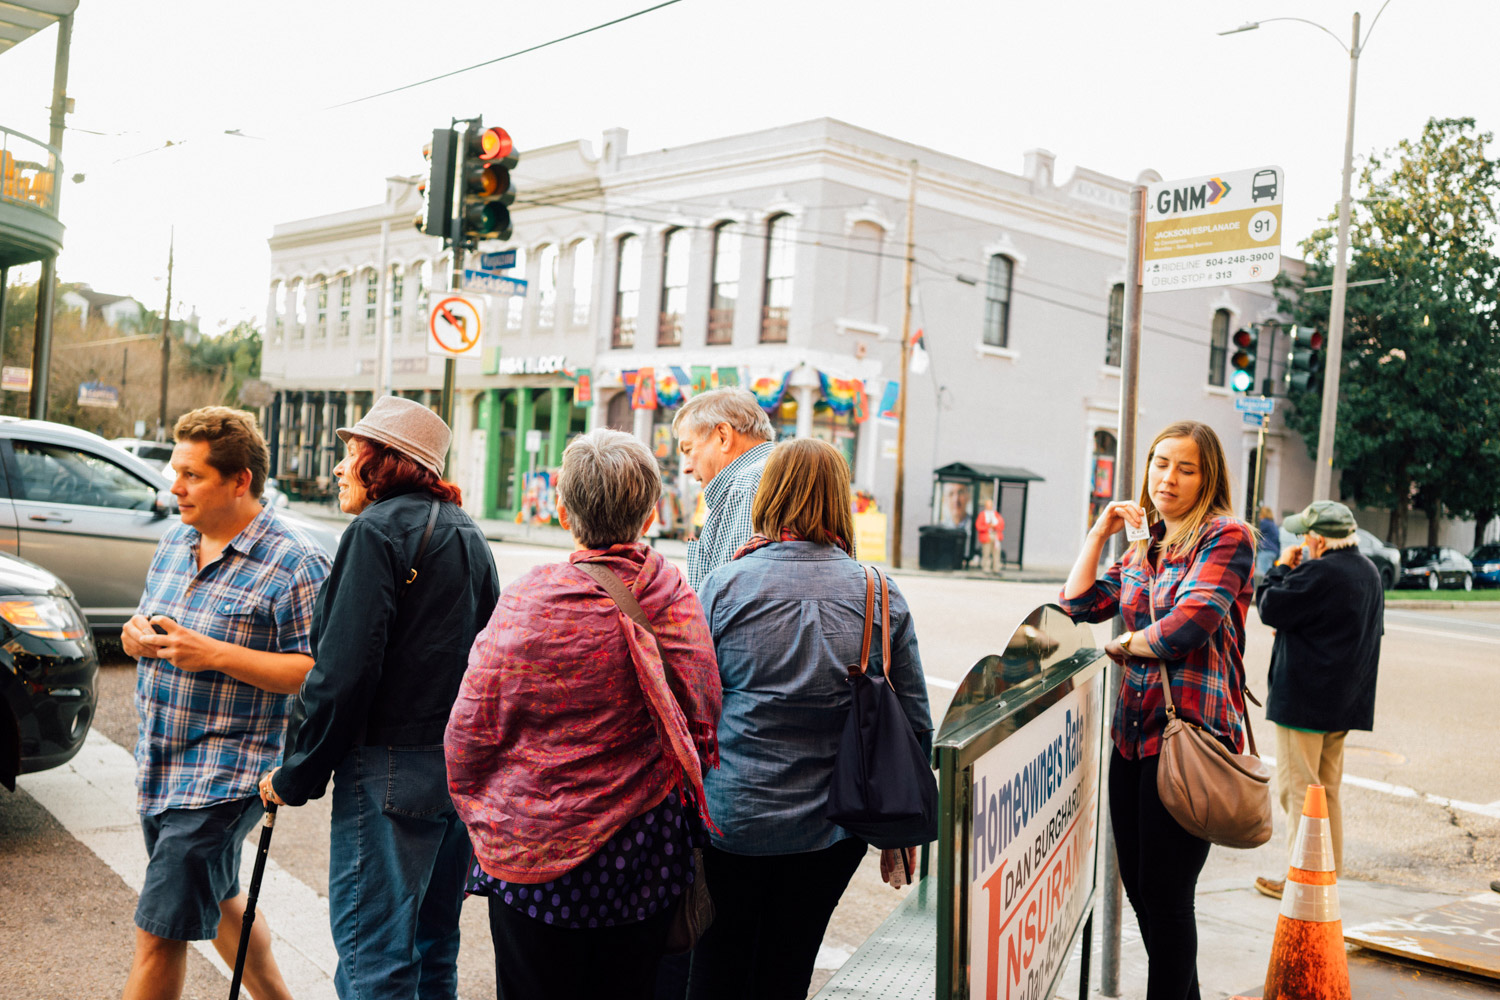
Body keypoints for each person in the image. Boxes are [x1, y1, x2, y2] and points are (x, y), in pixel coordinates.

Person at [446, 429, 721, 1000]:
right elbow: (703, 715)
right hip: (642, 854)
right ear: (648, 516)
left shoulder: (528, 602)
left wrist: (488, 812)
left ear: (566, 514)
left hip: (533, 852)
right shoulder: (672, 598)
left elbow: (470, 731)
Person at [259, 395, 499, 998]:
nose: (341, 467)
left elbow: (342, 674)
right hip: (456, 771)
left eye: (351, 453)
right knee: (433, 945)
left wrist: (297, 772)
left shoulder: (375, 531)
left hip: (388, 767)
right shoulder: (469, 534)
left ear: (384, 463)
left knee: (375, 959)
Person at [689, 438, 931, 1000]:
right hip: (833, 825)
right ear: (839, 501)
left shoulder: (724, 587)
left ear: (768, 496)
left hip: (733, 819)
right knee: (788, 965)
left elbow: (690, 705)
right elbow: (915, 723)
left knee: (718, 964)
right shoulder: (879, 593)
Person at [121, 407, 331, 1000]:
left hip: (226, 773)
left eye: (192, 474)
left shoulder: (297, 561)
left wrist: (213, 653)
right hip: (160, 764)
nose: (175, 486)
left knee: (159, 933)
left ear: (239, 479)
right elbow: (147, 625)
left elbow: (317, 673)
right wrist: (134, 637)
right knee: (218, 898)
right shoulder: (175, 540)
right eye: (174, 470)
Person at [1058, 420, 1255, 1000]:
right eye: (1160, 463)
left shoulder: (1227, 536)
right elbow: (1078, 603)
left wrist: (1122, 646)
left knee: (1167, 899)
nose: (1168, 477)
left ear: (1208, 476)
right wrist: (1100, 533)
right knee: (1143, 891)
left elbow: (1187, 626)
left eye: (1185, 468)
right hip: (1133, 736)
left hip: (1192, 737)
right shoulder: (1151, 545)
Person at [1252, 500, 1383, 899]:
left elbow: (1269, 606)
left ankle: (1301, 882)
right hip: (1344, 702)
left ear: (1320, 539)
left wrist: (1281, 568)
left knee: (1299, 792)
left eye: (1306, 536)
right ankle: (1328, 874)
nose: (1303, 542)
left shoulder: (1317, 570)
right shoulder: (1368, 571)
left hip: (1305, 702)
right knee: (1327, 792)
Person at [672, 387, 776, 590]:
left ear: (723, 436)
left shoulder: (747, 485)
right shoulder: (788, 470)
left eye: (688, 449)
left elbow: (730, 599)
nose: (686, 467)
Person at [1254, 506, 1279, 587]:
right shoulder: (1273, 524)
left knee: (1263, 573)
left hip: (1265, 551)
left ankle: (1264, 591)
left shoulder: (1264, 523)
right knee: (1268, 572)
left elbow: (1255, 532)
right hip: (1273, 552)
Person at [978, 498, 1005, 573]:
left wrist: (994, 526)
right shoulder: (982, 515)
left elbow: (1001, 525)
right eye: (988, 505)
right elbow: (979, 526)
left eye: (990, 505)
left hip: (995, 535)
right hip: (987, 535)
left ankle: (996, 568)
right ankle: (986, 567)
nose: (989, 507)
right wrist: (988, 527)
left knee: (996, 552)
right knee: (986, 552)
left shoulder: (996, 514)